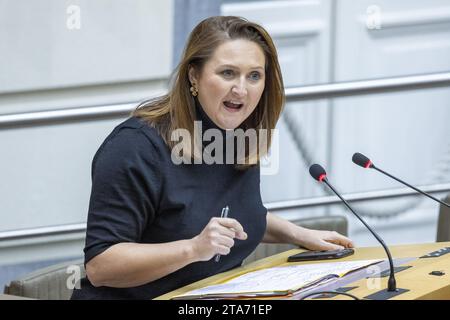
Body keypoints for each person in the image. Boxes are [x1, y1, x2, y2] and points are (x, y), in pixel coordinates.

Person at [71, 16, 353, 300]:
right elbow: (101, 266)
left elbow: (236, 214)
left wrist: (298, 234)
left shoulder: (239, 132)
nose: (241, 89)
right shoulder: (135, 147)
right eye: (228, 73)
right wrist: (193, 249)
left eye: (254, 75)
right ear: (194, 75)